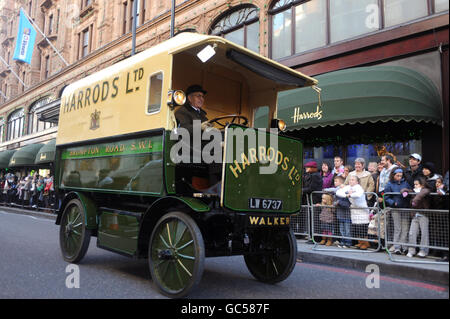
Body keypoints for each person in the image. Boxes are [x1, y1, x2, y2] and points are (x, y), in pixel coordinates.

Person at [336, 175, 370, 250]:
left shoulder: (359, 187)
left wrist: (349, 194)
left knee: (362, 227)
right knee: (356, 228)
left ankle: (365, 243)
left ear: (357, 181)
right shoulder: (348, 187)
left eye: (353, 180)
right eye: (350, 179)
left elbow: (358, 194)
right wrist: (346, 195)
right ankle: (360, 242)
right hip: (354, 210)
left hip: (362, 210)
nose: (351, 181)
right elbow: (338, 192)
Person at [402, 177, 431, 258]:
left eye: (417, 184)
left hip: (423, 215)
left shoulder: (425, 190)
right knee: (412, 233)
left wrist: (415, 199)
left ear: (422, 184)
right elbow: (404, 190)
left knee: (424, 233)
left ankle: (423, 250)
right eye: (414, 184)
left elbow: (423, 193)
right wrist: (404, 191)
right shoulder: (414, 191)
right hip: (415, 215)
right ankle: (411, 250)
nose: (415, 186)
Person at [383, 168, 411, 255]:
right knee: (397, 228)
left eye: (401, 175)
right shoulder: (389, 184)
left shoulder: (405, 183)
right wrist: (393, 203)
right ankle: (397, 247)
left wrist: (407, 194)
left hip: (405, 208)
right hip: (395, 209)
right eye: (397, 175)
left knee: (405, 228)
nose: (399, 177)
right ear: (393, 175)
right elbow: (386, 197)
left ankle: (404, 247)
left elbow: (410, 193)